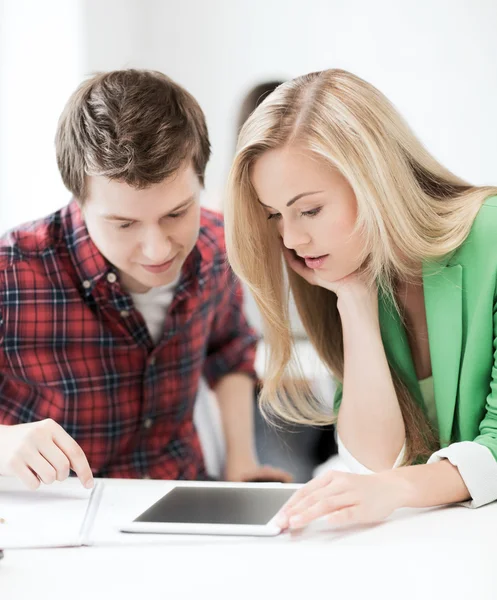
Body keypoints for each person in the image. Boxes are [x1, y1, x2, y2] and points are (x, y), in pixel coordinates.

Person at [225, 68, 497, 529]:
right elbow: (375, 463)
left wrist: (397, 489)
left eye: (309, 210)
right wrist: (352, 300)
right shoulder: (350, 271)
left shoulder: (490, 237)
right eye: (274, 215)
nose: (291, 238)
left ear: (376, 181)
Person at [0, 69, 291, 490]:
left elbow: (228, 351)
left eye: (176, 213)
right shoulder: (12, 273)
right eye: (124, 224)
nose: (158, 250)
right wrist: (4, 442)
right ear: (79, 201)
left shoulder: (213, 246)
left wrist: (241, 463)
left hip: (181, 498)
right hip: (57, 518)